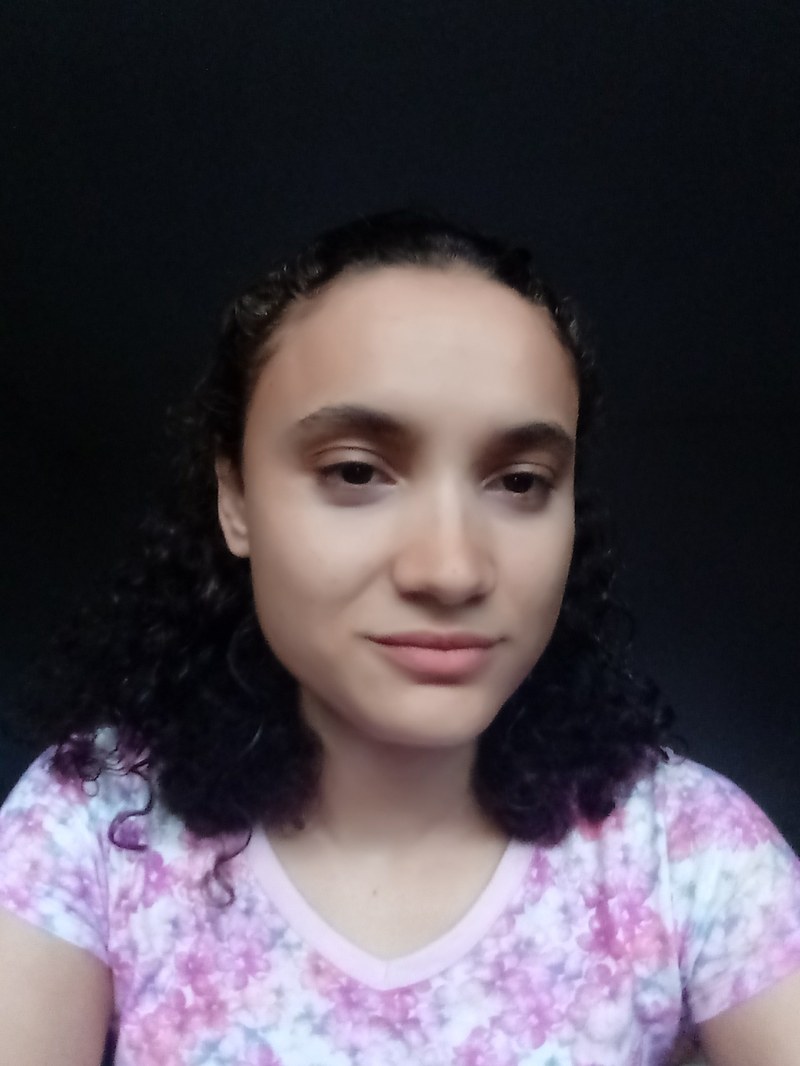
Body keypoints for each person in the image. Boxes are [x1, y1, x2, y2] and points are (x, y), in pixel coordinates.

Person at [0, 210, 798, 1066]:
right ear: (235, 498)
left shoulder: (683, 849)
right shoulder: (93, 826)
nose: (451, 570)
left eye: (520, 482)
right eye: (356, 472)